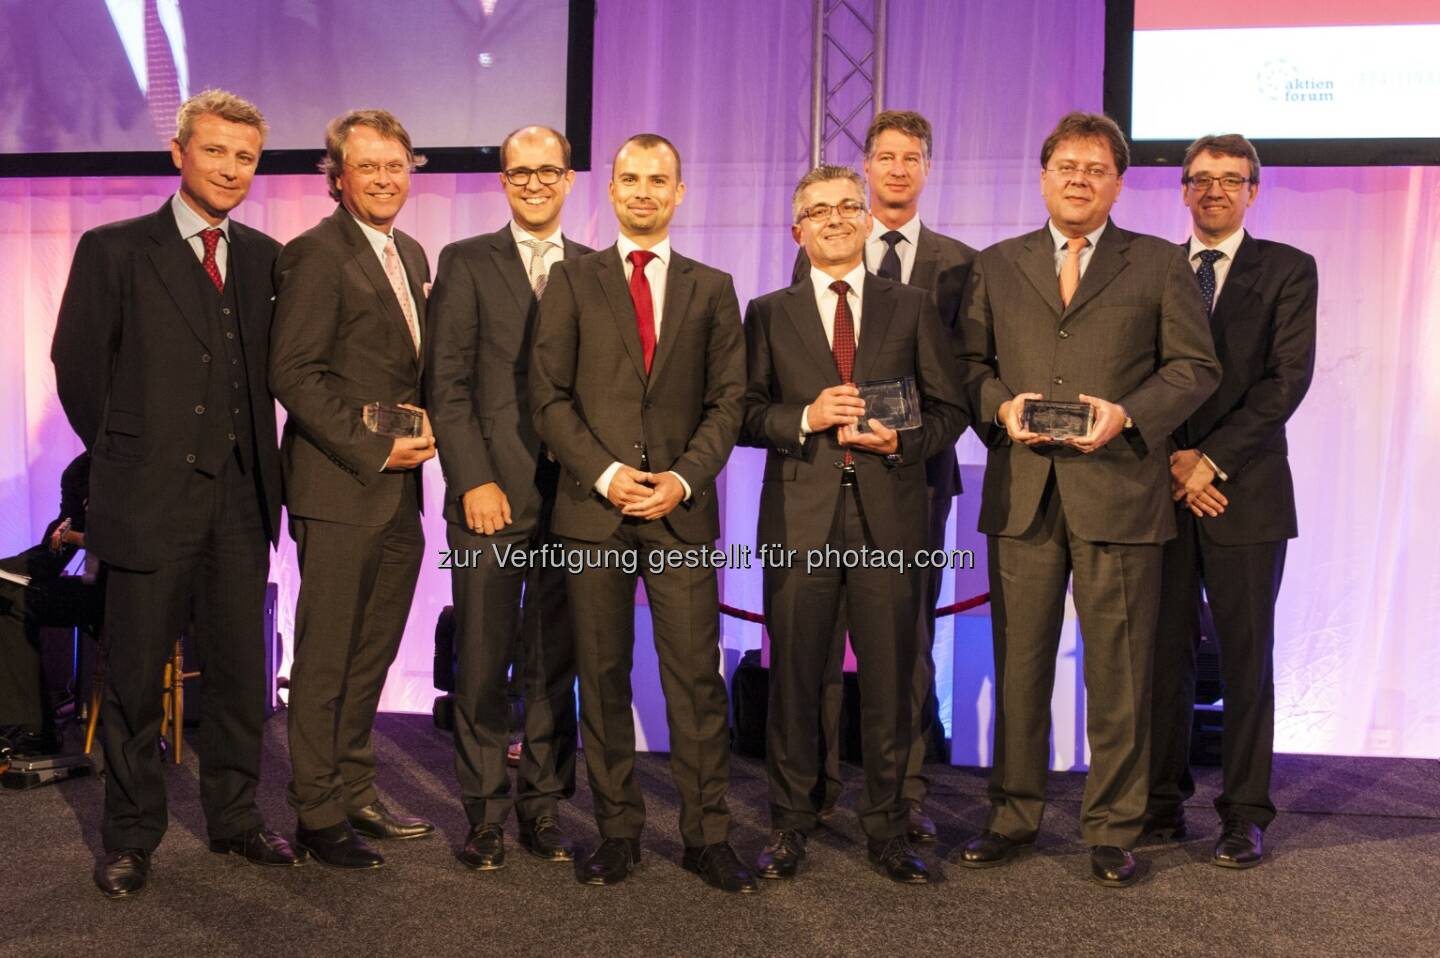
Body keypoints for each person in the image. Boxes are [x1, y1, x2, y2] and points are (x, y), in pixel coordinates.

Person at [955, 111, 1220, 887]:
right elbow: (969, 364)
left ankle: (1112, 828)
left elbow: (1194, 369)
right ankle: (1012, 814)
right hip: (1025, 495)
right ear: (1043, 176)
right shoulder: (998, 264)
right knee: (1021, 667)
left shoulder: (1159, 264)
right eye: (1066, 165)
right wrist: (999, 406)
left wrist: (1128, 414)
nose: (1078, 178)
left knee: (1120, 674)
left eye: (1095, 168)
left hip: (1122, 492)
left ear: (1118, 183)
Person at [51, 90, 302, 898]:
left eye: (246, 157)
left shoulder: (266, 256)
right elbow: (78, 370)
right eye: (217, 152)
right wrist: (130, 461)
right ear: (179, 153)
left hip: (240, 500)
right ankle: (130, 837)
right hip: (147, 499)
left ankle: (234, 818)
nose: (232, 169)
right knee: (133, 681)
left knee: (239, 676)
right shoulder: (115, 248)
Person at [529, 133, 753, 892]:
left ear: (680, 193)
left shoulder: (713, 286)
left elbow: (729, 402)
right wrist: (607, 472)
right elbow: (548, 397)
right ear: (612, 189)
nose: (645, 191)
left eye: (660, 180)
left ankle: (706, 836)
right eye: (631, 178)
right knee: (603, 675)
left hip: (679, 514)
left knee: (695, 680)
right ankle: (618, 831)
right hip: (594, 510)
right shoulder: (572, 278)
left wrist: (682, 480)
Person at [742, 165, 967, 883]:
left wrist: (902, 442)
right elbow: (742, 412)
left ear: (869, 221)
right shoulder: (767, 312)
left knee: (892, 683)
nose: (835, 218)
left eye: (848, 206)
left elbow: (951, 412)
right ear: (796, 228)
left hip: (890, 521)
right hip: (800, 520)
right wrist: (804, 417)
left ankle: (890, 828)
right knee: (795, 684)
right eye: (819, 209)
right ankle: (790, 824)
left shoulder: (913, 306)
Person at [791, 110, 976, 840]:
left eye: (913, 158)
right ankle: (815, 791)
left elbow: (956, 378)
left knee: (906, 642)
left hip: (917, 476)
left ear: (927, 169)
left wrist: (904, 439)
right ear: (866, 169)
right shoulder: (822, 244)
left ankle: (906, 795)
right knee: (820, 639)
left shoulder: (961, 264)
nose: (899, 168)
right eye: (886, 157)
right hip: (826, 479)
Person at [269, 109, 436, 869]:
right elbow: (293, 374)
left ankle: (355, 788)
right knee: (329, 653)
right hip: (340, 484)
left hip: (402, 489)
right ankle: (317, 811)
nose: (384, 179)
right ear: (338, 176)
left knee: (373, 651)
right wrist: (377, 447)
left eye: (395, 165)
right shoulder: (314, 254)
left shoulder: (410, 249)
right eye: (367, 167)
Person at [1146, 133, 1318, 869]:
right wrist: (1173, 462)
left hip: (1244, 494)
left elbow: (1285, 381)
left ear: (1254, 190)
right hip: (1158, 491)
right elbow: (1135, 373)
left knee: (1247, 659)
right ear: (1183, 190)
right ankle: (1158, 804)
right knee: (1160, 658)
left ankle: (1244, 813)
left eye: (1231, 179)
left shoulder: (1288, 269)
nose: (1215, 190)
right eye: (1201, 179)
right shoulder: (1151, 268)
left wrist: (1209, 461)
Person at [426, 125, 593, 870]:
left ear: (567, 179)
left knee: (555, 665)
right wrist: (472, 480)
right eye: (519, 172)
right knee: (484, 660)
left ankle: (544, 810)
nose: (533, 183)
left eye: (547, 171)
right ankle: (486, 813)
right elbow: (447, 386)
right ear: (503, 180)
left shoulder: (596, 269)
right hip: (489, 495)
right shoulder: (464, 262)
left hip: (576, 500)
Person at [0, 454, 101, 757]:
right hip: (95, 588)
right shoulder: (80, 471)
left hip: (139, 588)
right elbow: (58, 546)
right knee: (7, 595)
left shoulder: (143, 459)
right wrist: (14, 569)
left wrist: (89, 538)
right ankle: (31, 727)